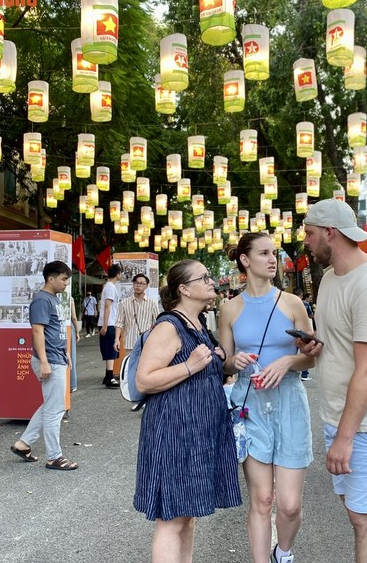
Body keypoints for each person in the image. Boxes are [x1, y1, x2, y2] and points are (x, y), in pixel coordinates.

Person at [300, 198, 367, 563]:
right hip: (340, 417)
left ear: (331, 233)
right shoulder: (330, 278)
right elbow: (342, 341)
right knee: (361, 513)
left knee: (363, 518)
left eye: (310, 235)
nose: (307, 243)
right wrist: (314, 343)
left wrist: (345, 438)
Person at [133, 260, 241, 561]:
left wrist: (220, 361)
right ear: (184, 289)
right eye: (203, 277)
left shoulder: (198, 324)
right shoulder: (169, 326)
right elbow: (145, 379)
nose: (211, 281)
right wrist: (190, 365)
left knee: (188, 514)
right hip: (175, 431)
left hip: (199, 430)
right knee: (172, 518)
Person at [219, 233, 315, 563]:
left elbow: (312, 356)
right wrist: (235, 362)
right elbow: (225, 362)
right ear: (245, 261)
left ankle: (283, 552)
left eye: (273, 253)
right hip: (250, 406)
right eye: (263, 253)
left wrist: (289, 361)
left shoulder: (293, 304)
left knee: (289, 505)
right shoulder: (229, 309)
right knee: (261, 500)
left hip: (289, 402)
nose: (273, 259)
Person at [10, 261, 77, 470]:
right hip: (48, 360)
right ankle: (54, 456)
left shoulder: (53, 298)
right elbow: (37, 331)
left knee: (51, 405)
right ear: (51, 279)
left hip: (56, 358)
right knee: (55, 410)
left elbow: (56, 329)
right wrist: (45, 362)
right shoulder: (41, 300)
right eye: (64, 279)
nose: (66, 283)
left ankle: (23, 444)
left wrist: (66, 353)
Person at [114, 273, 160, 358]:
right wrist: (117, 339)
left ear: (146, 286)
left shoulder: (152, 304)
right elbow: (119, 322)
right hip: (129, 343)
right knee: (131, 368)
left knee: (145, 369)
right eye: (136, 283)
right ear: (133, 284)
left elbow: (157, 324)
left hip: (147, 343)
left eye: (142, 283)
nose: (138, 285)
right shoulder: (124, 303)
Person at [98, 264, 122, 388]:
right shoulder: (110, 287)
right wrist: (106, 325)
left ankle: (108, 376)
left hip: (109, 322)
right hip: (109, 323)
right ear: (117, 274)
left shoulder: (109, 286)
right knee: (111, 350)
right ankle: (110, 377)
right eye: (121, 273)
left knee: (110, 349)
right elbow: (108, 306)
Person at [69, 299, 81, 393]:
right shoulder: (71, 298)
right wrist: (77, 332)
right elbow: (74, 317)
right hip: (69, 327)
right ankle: (72, 384)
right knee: (71, 355)